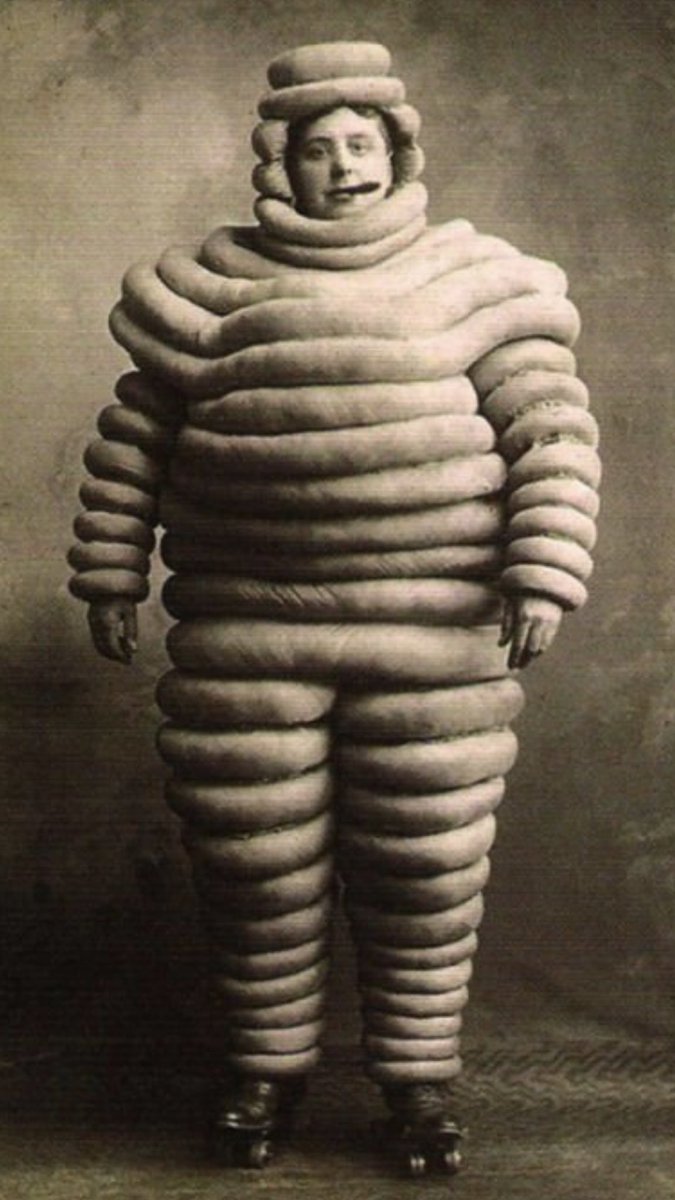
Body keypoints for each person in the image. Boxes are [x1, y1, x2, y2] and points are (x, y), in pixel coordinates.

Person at [69, 41, 600, 1174]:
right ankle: (263, 1071)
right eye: (320, 149)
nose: (345, 166)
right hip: (245, 632)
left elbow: (550, 436)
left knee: (426, 867)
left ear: (399, 154)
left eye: (362, 144)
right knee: (255, 867)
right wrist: (110, 569)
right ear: (281, 165)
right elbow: (133, 444)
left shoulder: (470, 281)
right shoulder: (210, 291)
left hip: (435, 633)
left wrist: (543, 568)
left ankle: (417, 1081)